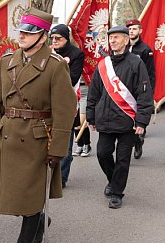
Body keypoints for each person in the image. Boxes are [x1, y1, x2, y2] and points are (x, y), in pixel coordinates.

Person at [0, 7, 77, 243]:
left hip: (38, 139)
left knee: (29, 195)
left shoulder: (54, 65)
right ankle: (39, 219)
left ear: (42, 36)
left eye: (30, 32)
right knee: (14, 195)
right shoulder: (7, 61)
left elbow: (65, 110)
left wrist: (58, 149)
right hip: (10, 135)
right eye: (22, 31)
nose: (23, 36)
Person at [86, 25, 153, 209]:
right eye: (111, 38)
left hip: (127, 121)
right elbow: (93, 92)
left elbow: (144, 93)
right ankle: (112, 179)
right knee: (102, 153)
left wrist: (142, 121)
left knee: (123, 160)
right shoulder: (103, 64)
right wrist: (91, 116)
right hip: (106, 119)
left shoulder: (136, 63)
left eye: (117, 37)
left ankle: (117, 192)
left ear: (126, 40)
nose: (113, 41)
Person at [50, 23, 84, 187]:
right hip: (48, 103)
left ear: (67, 38)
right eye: (53, 38)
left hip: (67, 102)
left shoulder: (76, 54)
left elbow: (73, 78)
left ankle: (62, 177)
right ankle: (48, 173)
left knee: (65, 141)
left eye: (59, 38)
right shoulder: (47, 52)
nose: (55, 41)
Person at [125, 18, 155, 159]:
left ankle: (138, 141)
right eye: (129, 29)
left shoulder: (145, 50)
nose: (131, 31)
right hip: (124, 90)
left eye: (134, 29)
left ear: (140, 31)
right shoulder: (123, 48)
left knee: (138, 120)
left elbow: (150, 74)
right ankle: (129, 144)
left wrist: (149, 93)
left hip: (139, 90)